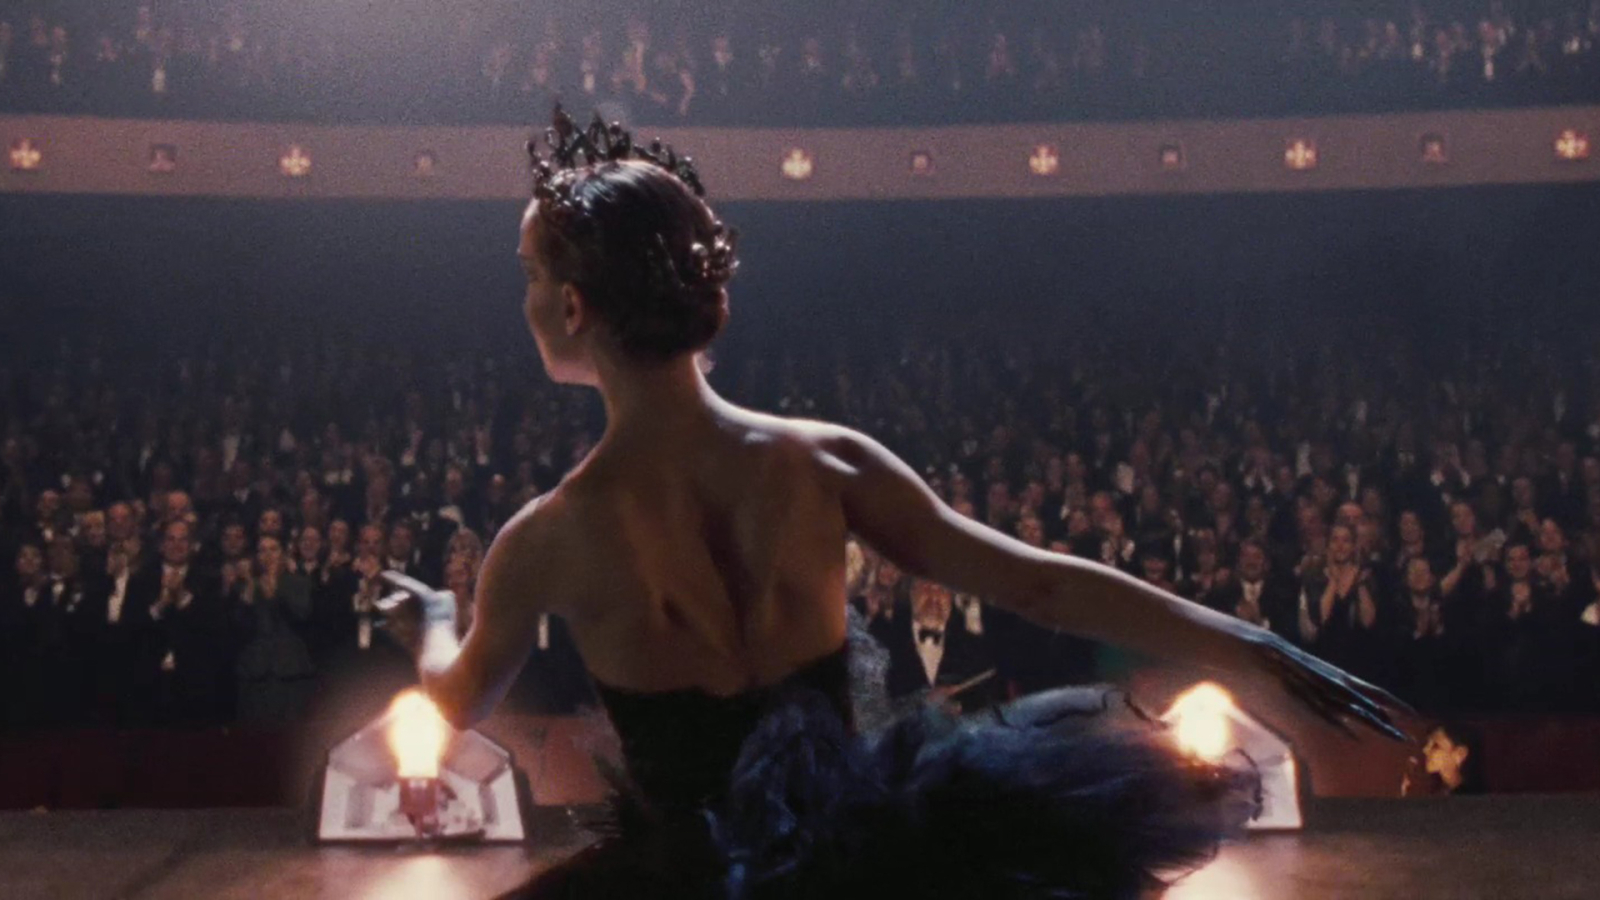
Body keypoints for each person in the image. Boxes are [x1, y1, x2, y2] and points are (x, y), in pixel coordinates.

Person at [379, 107, 1410, 900]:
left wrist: (432, 621)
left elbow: (454, 703)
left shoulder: (547, 539)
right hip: (866, 863)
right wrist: (1243, 641)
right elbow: (1039, 585)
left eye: (528, 273)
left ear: (571, 307)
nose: (525, 296)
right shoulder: (824, 462)